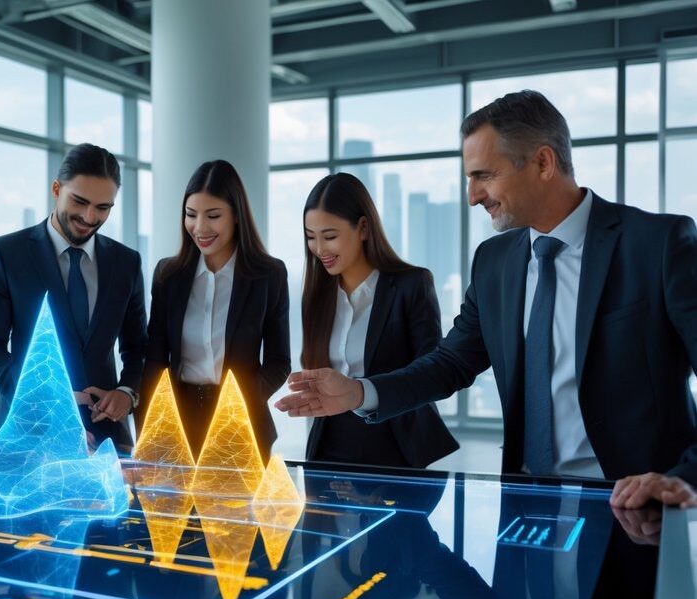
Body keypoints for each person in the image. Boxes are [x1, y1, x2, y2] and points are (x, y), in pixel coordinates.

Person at [275, 90, 697, 505]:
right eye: (469, 178)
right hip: (526, 498)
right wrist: (358, 393)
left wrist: (686, 477)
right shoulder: (494, 261)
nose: (473, 195)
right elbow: (449, 364)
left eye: (484, 176)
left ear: (543, 163)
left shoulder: (657, 246)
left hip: (634, 507)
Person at [0, 143, 147, 450]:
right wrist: (42, 400)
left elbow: (137, 348)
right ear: (56, 189)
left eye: (102, 207)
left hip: (107, 439)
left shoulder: (126, 263)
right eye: (79, 201)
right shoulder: (7, 254)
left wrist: (127, 392)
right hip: (27, 433)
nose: (89, 216)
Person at [300, 173, 457, 468]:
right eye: (311, 237)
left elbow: (430, 372)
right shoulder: (317, 295)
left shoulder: (412, 285)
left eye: (330, 236)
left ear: (363, 227)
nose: (319, 249)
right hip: (328, 450)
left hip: (394, 448)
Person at [139, 160, 290, 461]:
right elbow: (155, 360)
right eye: (191, 215)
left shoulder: (268, 275)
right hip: (177, 423)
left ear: (236, 216)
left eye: (213, 216)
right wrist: (149, 429)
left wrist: (237, 407)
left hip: (241, 424)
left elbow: (278, 362)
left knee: (233, 509)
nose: (200, 228)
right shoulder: (168, 275)